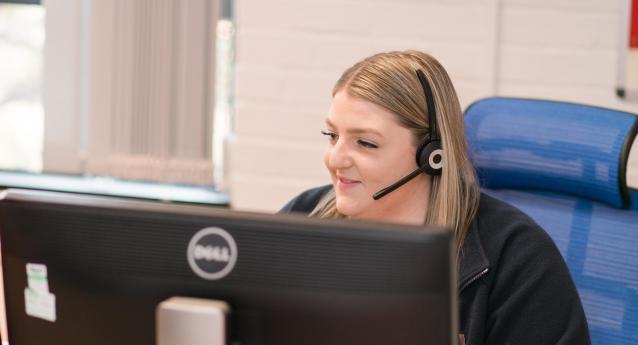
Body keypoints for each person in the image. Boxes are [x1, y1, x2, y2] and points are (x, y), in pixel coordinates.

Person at [279, 50, 590, 344]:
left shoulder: (516, 255)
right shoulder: (304, 215)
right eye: (332, 136)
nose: (336, 159)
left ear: (432, 155)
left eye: (365, 143)